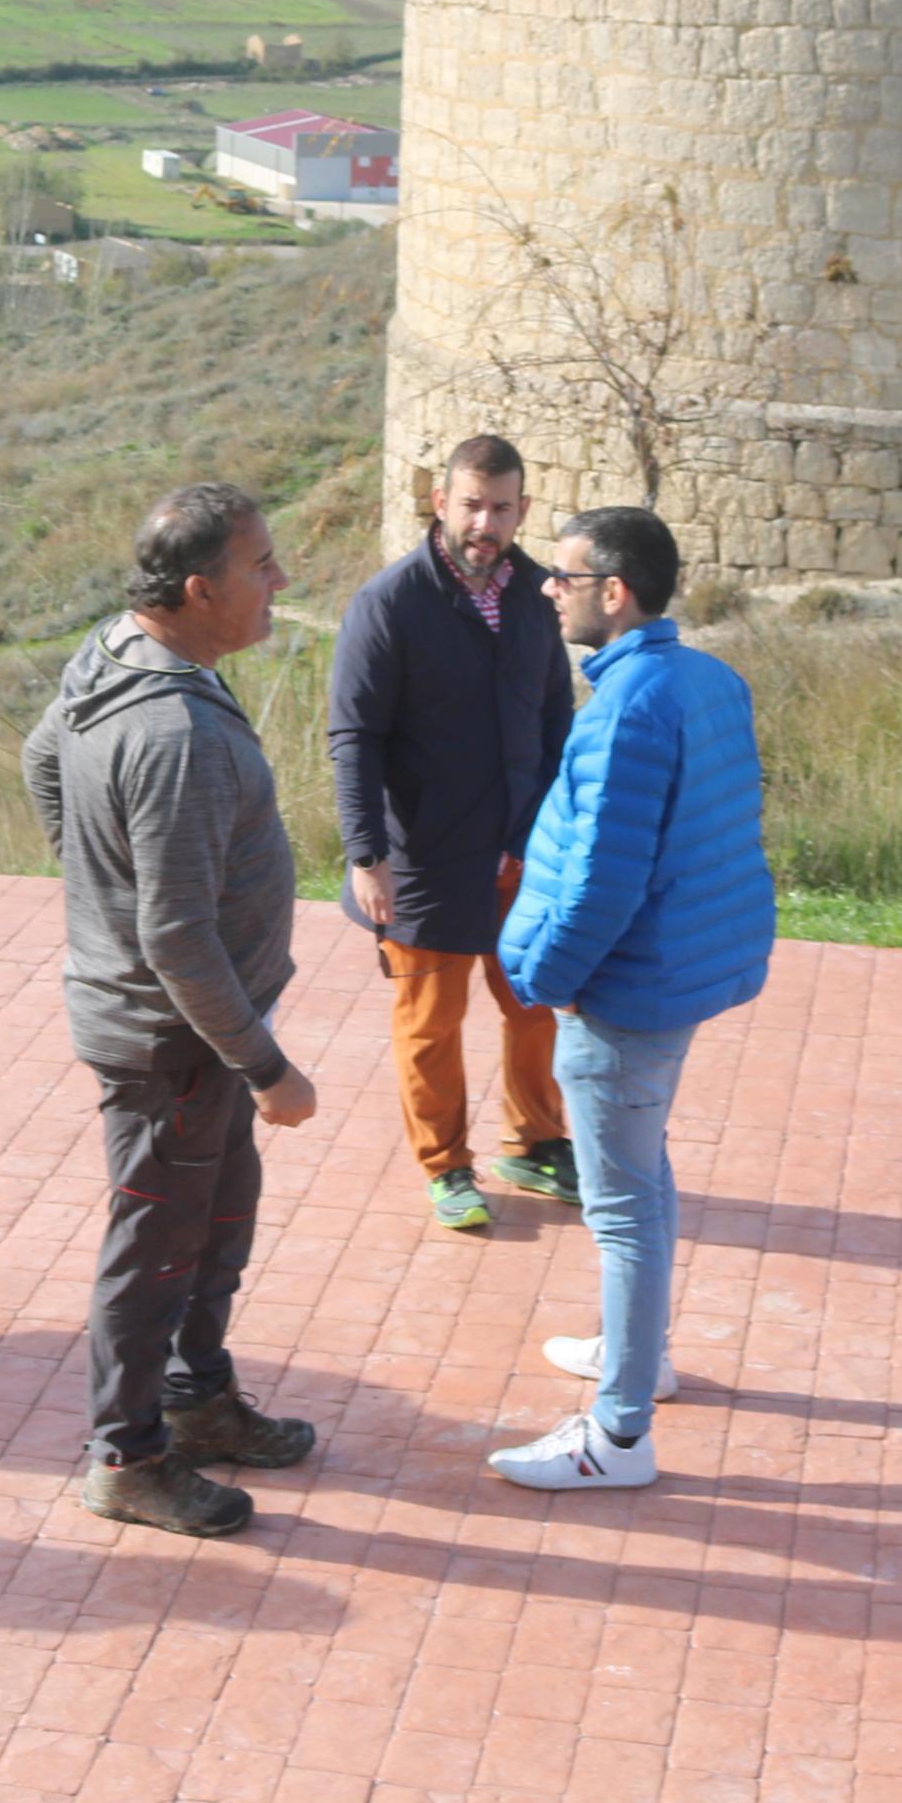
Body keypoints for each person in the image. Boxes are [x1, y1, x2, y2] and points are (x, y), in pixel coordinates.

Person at [23, 482, 326, 1539]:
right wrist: (265, 1065)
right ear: (199, 589)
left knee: (214, 1223)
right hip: (176, 1044)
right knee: (153, 1251)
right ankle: (128, 1458)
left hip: (191, 1036)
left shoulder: (118, 651)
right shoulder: (174, 734)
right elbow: (177, 937)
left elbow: (39, 754)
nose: (279, 580)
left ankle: (197, 1405)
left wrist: (89, 884)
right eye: (260, 565)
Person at [490, 506, 776, 1493]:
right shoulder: (705, 680)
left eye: (561, 578)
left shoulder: (624, 710)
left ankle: (615, 1434)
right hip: (675, 976)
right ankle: (638, 1356)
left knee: (616, 1205)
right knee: (642, 1175)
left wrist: (545, 980)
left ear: (612, 593)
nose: (545, 588)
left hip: (622, 993)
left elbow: (601, 881)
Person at [328, 435, 579, 1235]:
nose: (485, 523)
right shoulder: (391, 601)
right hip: (423, 855)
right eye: (471, 503)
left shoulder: (541, 593)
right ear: (440, 503)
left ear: (522, 510)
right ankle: (446, 1166)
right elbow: (353, 734)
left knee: (534, 1002)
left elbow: (552, 717)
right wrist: (366, 854)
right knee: (431, 1024)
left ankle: (536, 1141)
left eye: (501, 507)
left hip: (519, 851)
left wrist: (552, 829)